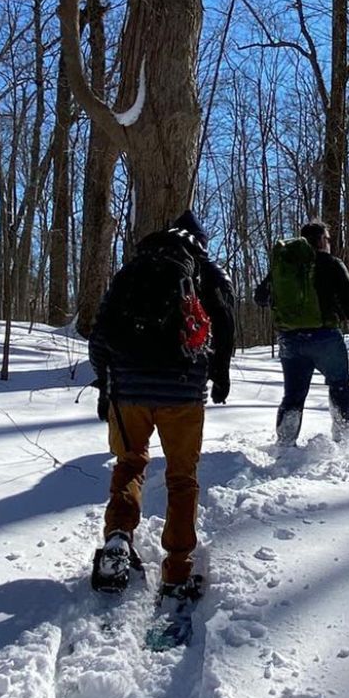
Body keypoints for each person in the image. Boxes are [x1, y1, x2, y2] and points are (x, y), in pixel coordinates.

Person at [88, 209, 235, 601]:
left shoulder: (132, 269)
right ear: (198, 242)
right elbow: (223, 319)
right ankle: (177, 571)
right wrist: (220, 373)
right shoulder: (202, 268)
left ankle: (118, 537)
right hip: (183, 390)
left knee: (130, 463)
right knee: (182, 477)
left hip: (128, 387)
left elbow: (101, 333)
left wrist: (105, 385)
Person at [254, 218, 349, 445]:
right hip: (324, 337)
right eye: (328, 238)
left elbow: (260, 297)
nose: (329, 243)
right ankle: (343, 439)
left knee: (294, 395)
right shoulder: (331, 263)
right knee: (338, 385)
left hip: (290, 340)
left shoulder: (284, 266)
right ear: (320, 240)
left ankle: (285, 444)